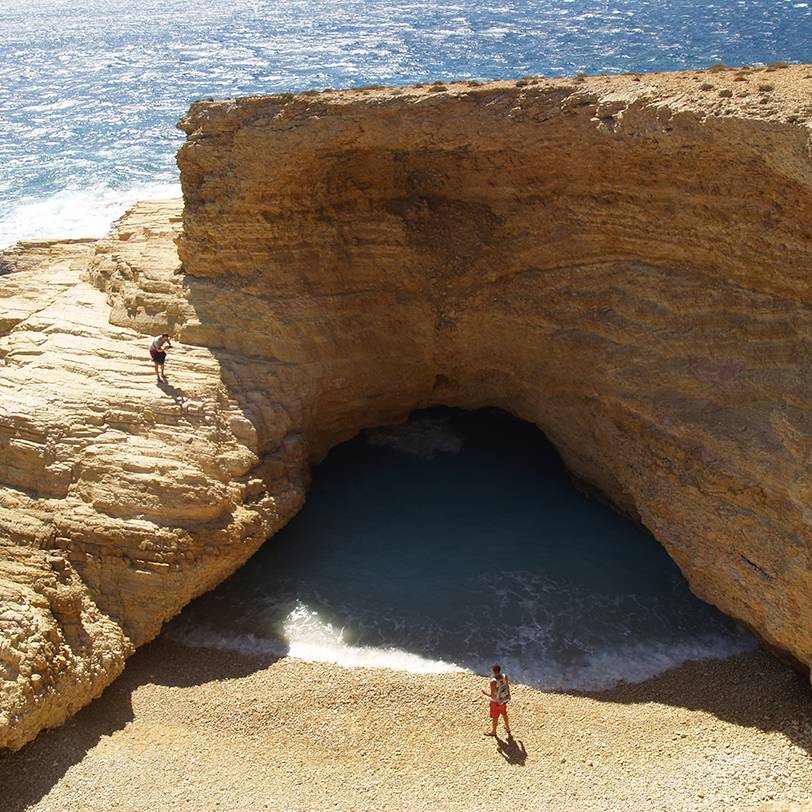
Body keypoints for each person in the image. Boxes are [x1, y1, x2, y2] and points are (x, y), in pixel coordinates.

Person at [482, 663, 512, 738]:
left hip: (496, 702)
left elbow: (492, 695)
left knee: (495, 717)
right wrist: (509, 696)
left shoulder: (493, 681)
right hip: (504, 699)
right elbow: (507, 687)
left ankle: (494, 732)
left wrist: (485, 693)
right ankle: (508, 728)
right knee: (504, 714)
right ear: (499, 670)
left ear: (493, 671)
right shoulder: (504, 676)